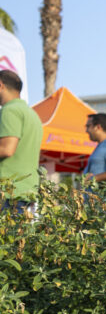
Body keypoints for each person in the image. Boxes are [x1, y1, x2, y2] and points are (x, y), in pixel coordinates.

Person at [0, 69, 43, 216]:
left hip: (7, 191)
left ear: (1, 85)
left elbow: (7, 149)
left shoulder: (9, 110)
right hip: (25, 191)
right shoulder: (31, 114)